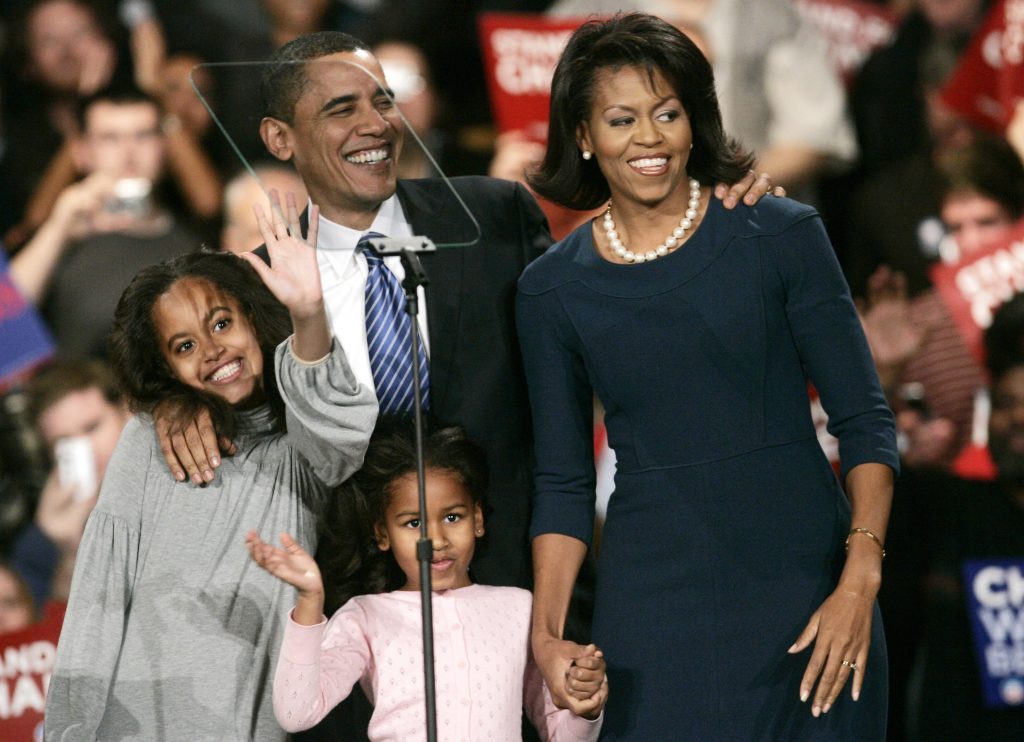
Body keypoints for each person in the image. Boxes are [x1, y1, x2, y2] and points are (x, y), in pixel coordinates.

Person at [158, 29, 776, 593]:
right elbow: (217, 389)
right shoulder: (253, 284)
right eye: (341, 109)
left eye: (382, 101)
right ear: (278, 138)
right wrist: (177, 403)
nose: (375, 124)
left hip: (515, 585)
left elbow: (608, 325)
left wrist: (706, 213)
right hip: (347, 606)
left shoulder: (493, 218)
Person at [517, 14, 898, 740]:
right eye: (622, 119)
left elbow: (866, 424)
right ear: (584, 136)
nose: (650, 139)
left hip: (812, 592)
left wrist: (860, 578)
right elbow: (563, 485)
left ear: (695, 120)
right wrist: (547, 639)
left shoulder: (779, 233)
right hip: (655, 609)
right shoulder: (552, 290)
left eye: (668, 113)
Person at [44, 195, 377, 740]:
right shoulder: (148, 439)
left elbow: (340, 436)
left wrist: (310, 312)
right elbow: (97, 599)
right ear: (164, 367)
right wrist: (68, 730)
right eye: (184, 346)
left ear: (253, 316)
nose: (213, 351)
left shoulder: (300, 438)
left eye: (222, 323)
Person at [246, 422, 607, 740]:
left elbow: (564, 736)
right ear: (382, 534)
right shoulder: (366, 616)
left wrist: (584, 704)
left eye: (452, 517)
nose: (435, 539)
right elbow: (297, 712)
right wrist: (310, 599)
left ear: (478, 519)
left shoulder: (519, 607)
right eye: (413, 523)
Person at [8, 86, 200, 359]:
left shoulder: (193, 241)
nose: (128, 152)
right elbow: (7, 320)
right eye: (110, 138)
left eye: (143, 135)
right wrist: (58, 229)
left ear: (164, 147)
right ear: (83, 152)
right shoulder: (59, 235)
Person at [10, 359, 130, 607]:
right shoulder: (37, 547)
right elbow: (52, 637)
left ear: (125, 413)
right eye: (65, 443)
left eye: (91, 427)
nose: (85, 450)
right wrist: (69, 551)